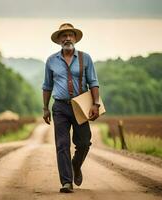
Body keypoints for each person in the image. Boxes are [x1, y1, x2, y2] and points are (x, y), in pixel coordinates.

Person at [42, 23, 100, 193]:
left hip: (81, 105)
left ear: (75, 38)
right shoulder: (51, 61)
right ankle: (66, 182)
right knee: (62, 144)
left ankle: (76, 164)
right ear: (59, 40)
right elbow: (47, 86)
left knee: (84, 143)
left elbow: (93, 82)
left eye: (70, 35)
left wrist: (96, 104)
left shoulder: (85, 58)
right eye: (63, 35)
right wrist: (45, 108)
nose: (67, 38)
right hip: (59, 107)